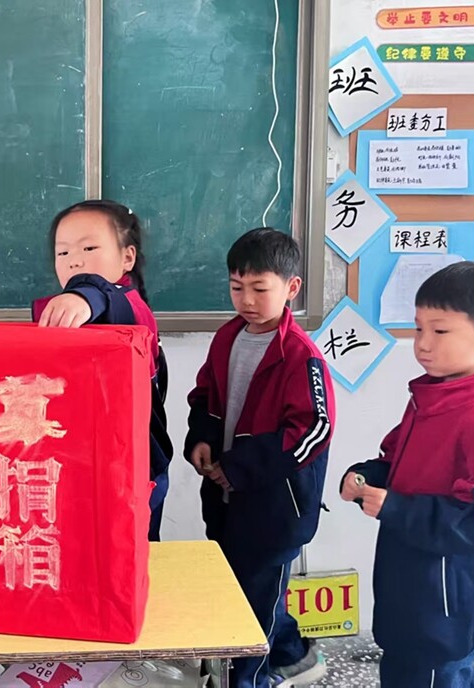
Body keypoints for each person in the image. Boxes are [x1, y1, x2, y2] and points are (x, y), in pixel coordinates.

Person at [341, 262, 474, 687]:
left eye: (440, 331)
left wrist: (397, 508)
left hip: (445, 614)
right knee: (402, 670)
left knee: (433, 675)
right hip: (408, 596)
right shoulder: (430, 399)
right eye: (418, 329)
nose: (423, 344)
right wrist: (365, 476)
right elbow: (398, 461)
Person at [184, 228, 333, 687]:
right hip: (226, 496)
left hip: (275, 508)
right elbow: (205, 394)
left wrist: (240, 468)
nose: (246, 300)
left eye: (259, 288)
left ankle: (248, 679)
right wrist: (201, 438)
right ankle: (294, 654)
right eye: (236, 287)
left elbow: (313, 430)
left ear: (292, 288)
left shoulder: (300, 355)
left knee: (254, 598)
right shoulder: (227, 337)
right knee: (245, 587)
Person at [33, 199, 171, 540]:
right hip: (91, 464)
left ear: (127, 257)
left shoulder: (129, 307)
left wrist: (84, 297)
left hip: (134, 471)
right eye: (63, 252)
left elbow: (107, 297)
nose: (74, 260)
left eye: (89, 248)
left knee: (130, 554)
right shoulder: (67, 315)